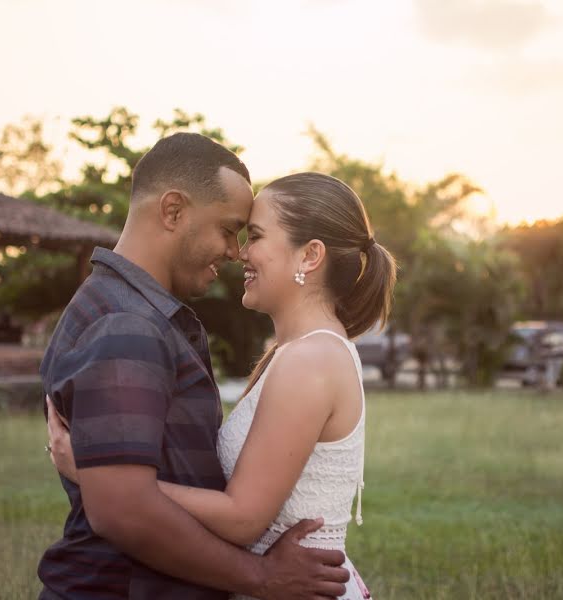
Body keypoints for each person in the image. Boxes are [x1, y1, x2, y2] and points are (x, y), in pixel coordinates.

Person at [48, 171, 397, 599]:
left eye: (255, 236)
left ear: (309, 256)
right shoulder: (298, 352)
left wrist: (99, 478)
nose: (241, 253)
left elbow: (243, 517)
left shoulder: (311, 360)